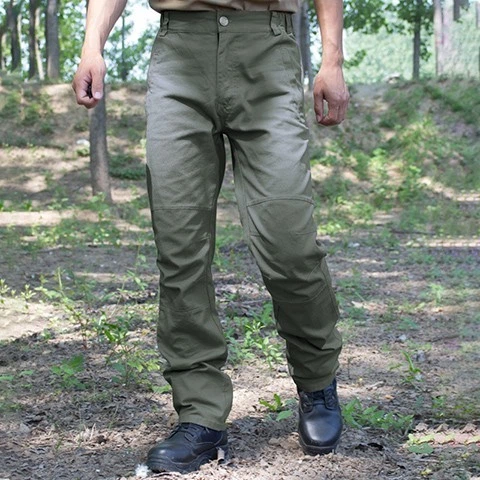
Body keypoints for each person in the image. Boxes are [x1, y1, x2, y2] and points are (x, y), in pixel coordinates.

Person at [73, 0, 349, 474]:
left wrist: (332, 59)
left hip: (266, 49)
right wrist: (91, 44)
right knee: (180, 251)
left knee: (289, 244)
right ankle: (199, 414)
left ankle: (317, 380)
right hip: (180, 54)